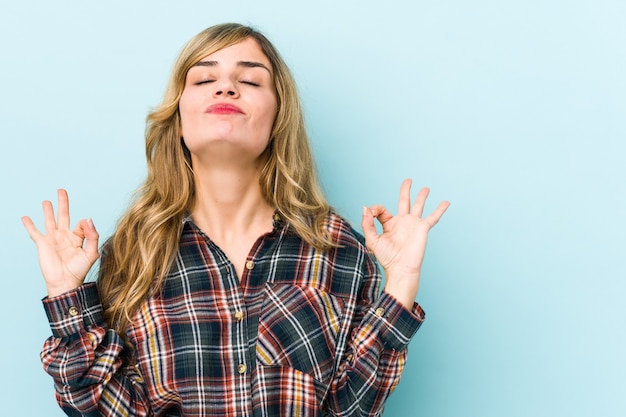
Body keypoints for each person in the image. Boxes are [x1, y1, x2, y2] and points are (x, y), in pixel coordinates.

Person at [22, 23, 449, 417]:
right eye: (205, 79)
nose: (225, 87)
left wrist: (402, 280)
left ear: (278, 115)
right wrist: (66, 294)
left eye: (249, 80)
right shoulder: (136, 252)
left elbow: (350, 408)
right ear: (179, 119)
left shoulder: (336, 248)